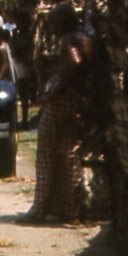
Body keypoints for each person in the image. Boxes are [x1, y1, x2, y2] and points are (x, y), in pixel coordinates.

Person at [24, 31, 93, 223]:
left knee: (46, 158)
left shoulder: (69, 39)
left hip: (60, 105)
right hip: (73, 104)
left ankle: (39, 210)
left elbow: (74, 62)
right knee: (68, 158)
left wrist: (58, 89)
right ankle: (69, 210)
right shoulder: (84, 39)